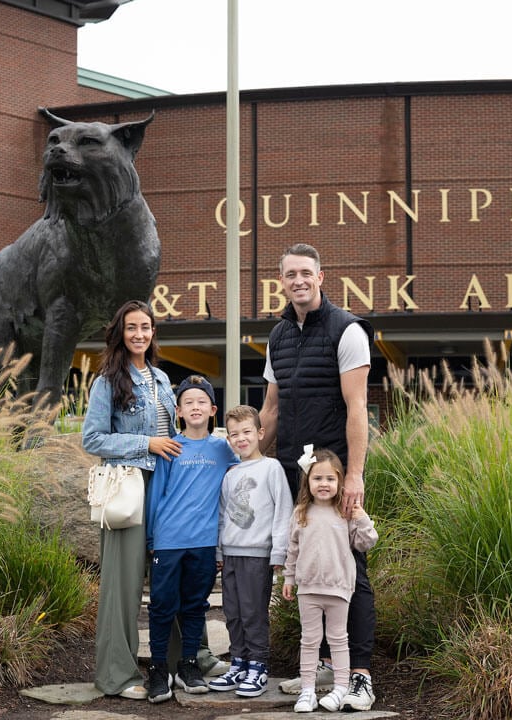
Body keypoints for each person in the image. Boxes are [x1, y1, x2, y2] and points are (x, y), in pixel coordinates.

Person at [258, 243, 378, 710]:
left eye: (306, 273)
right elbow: (271, 408)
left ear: (321, 276)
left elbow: (358, 406)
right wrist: (246, 461)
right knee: (310, 564)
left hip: (334, 472)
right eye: (290, 275)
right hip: (294, 471)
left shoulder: (347, 330)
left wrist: (355, 476)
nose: (298, 281)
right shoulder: (277, 336)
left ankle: (361, 675)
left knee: (352, 570)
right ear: (282, 281)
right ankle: (329, 665)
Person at [82, 300, 181, 699]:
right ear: (120, 333)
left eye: (146, 327)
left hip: (166, 486)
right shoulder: (108, 379)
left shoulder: (161, 377)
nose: (139, 334)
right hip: (129, 485)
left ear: (153, 332)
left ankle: (180, 662)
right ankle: (117, 675)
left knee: (170, 573)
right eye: (131, 327)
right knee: (122, 586)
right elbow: (92, 439)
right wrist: (147, 443)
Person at [144, 375, 237, 702]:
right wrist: (151, 537)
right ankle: (157, 669)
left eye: (201, 402)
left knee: (196, 605)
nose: (195, 407)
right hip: (168, 541)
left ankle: (188, 665)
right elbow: (156, 494)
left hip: (204, 542)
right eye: (188, 403)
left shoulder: (224, 450)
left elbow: (241, 476)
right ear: (179, 412)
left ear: (212, 410)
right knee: (162, 605)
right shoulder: (170, 446)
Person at [282, 448, 379, 713]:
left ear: (340, 483)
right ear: (308, 482)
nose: (323, 484)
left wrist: (362, 519)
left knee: (338, 639)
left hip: (338, 589)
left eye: (330, 479)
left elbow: (366, 542)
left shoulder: (345, 514)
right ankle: (307, 691)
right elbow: (292, 550)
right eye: (317, 479)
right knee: (310, 640)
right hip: (308, 589)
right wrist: (289, 577)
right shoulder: (301, 512)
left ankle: (339, 689)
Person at [208, 405, 292, 698]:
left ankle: (258, 666)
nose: (241, 439)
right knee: (233, 613)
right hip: (230, 554)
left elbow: (283, 511)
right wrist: (219, 551)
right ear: (228, 439)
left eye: (246, 432)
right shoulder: (230, 474)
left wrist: (278, 554)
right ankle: (239, 663)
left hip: (258, 555)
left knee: (254, 613)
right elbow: (221, 514)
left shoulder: (272, 468)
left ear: (260, 433)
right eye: (234, 434)